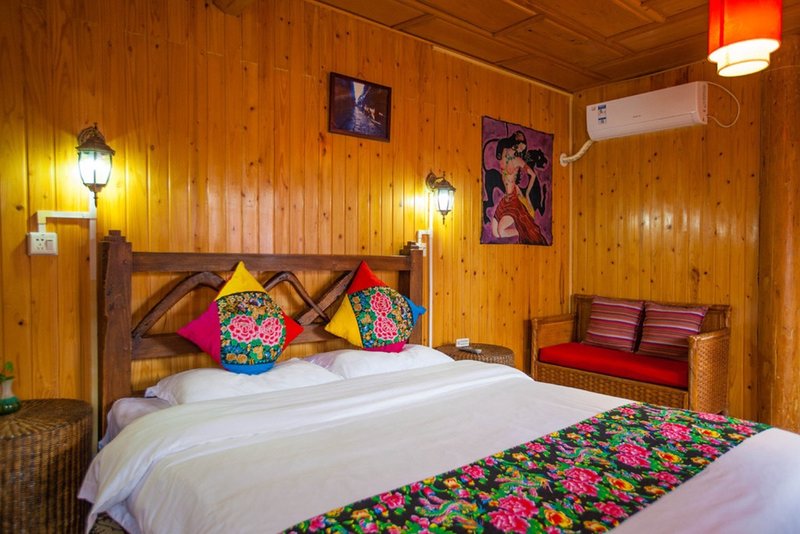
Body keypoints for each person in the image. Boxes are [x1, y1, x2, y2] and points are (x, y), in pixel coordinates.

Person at [490, 131, 547, 244]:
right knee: (495, 233)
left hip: (513, 199)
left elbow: (533, 175)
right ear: (515, 143)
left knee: (501, 231)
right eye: (520, 146)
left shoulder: (518, 161)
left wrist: (527, 194)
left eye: (522, 148)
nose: (521, 150)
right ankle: (523, 231)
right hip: (506, 199)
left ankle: (523, 231)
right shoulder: (504, 153)